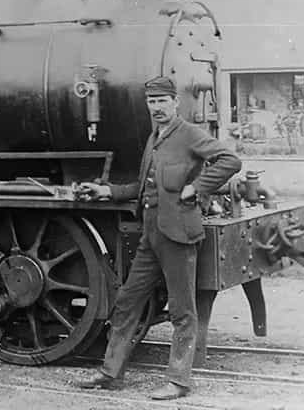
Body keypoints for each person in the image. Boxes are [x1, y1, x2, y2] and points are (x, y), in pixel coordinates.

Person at [75, 75, 241, 400]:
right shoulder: (155, 138)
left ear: (175, 102)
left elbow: (230, 160)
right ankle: (111, 373)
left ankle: (178, 381)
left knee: (182, 311)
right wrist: (107, 191)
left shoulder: (190, 134)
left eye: (162, 101)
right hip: (151, 237)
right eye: (152, 102)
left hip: (178, 236)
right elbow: (142, 189)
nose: (157, 108)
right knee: (126, 302)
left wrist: (198, 187)